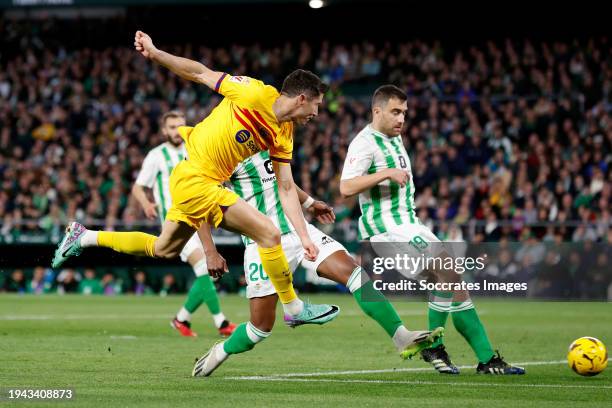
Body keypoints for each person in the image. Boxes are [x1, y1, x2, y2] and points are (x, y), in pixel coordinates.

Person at [52, 31, 339, 325]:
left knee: (163, 248)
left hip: (195, 181)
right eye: (316, 105)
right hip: (196, 179)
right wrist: (155, 53)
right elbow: (201, 73)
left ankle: (85, 237)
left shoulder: (284, 133)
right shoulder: (253, 93)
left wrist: (305, 237)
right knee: (269, 233)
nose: (317, 112)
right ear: (301, 99)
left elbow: (287, 187)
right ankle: (293, 309)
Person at [192, 150, 443, 377]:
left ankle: (402, 337)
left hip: (300, 230)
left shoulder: (272, 135)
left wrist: (310, 203)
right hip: (262, 244)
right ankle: (221, 351)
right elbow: (198, 201)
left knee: (355, 274)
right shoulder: (226, 150)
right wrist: (209, 250)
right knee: (260, 329)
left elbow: (284, 182)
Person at [339, 85, 524, 375]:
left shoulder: (394, 139)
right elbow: (346, 187)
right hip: (387, 228)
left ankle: (487, 359)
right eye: (395, 112)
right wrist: (386, 173)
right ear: (377, 111)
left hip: (408, 224)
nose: (401, 119)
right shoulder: (365, 143)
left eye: (405, 113)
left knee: (455, 285)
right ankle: (433, 347)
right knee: (447, 267)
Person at [132, 110, 236, 337]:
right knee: (203, 267)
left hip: (201, 218)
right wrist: (147, 204)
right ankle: (222, 323)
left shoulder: (193, 149)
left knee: (207, 271)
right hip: (176, 221)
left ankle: (181, 319)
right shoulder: (156, 155)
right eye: (171, 127)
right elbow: (138, 187)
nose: (177, 131)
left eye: (180, 126)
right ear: (163, 130)